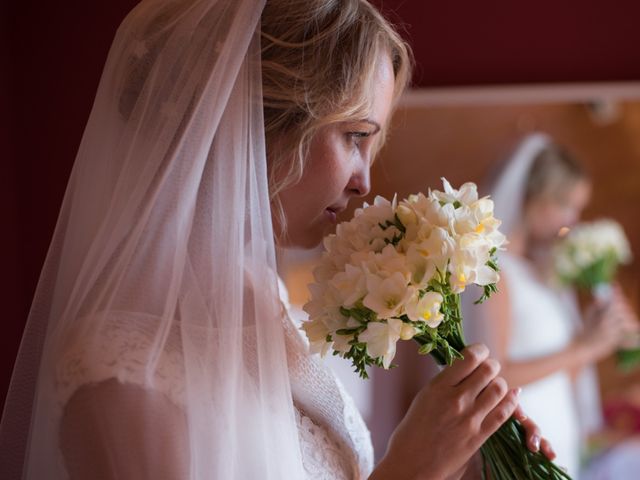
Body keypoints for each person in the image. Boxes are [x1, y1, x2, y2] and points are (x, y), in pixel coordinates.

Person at [0, 1, 551, 478]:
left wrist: (458, 465)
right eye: (355, 137)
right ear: (259, 122)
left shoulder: (261, 295)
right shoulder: (119, 370)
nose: (364, 181)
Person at [464, 133, 638, 477]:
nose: (571, 220)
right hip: (519, 435)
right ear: (535, 197)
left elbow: (563, 370)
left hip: (557, 427)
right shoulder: (492, 271)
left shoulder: (539, 274)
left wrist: (597, 333)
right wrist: (583, 347)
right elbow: (491, 376)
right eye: (566, 205)